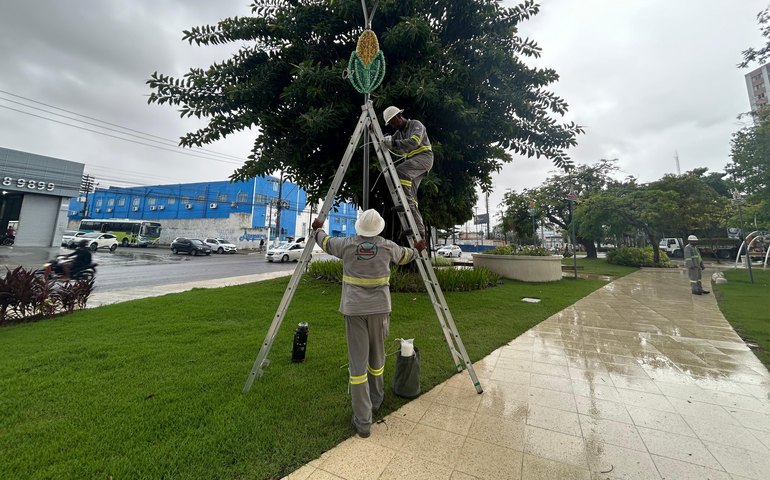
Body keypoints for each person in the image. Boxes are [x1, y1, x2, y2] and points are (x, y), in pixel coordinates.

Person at [312, 209, 425, 438]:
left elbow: (324, 242)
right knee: (377, 358)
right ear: (379, 228)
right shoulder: (387, 246)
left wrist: (317, 229)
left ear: (359, 227)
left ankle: (363, 422)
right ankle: (376, 400)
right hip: (380, 310)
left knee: (358, 365)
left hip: (354, 311)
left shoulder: (346, 244)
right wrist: (418, 249)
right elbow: (406, 256)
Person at [381, 106, 433, 239]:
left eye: (393, 122)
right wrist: (385, 139)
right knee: (412, 197)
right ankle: (418, 230)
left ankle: (404, 201)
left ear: (399, 116)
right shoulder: (398, 133)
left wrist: (393, 142)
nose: (392, 126)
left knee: (400, 171)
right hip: (414, 162)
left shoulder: (416, 124)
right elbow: (392, 140)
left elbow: (413, 143)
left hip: (423, 158)